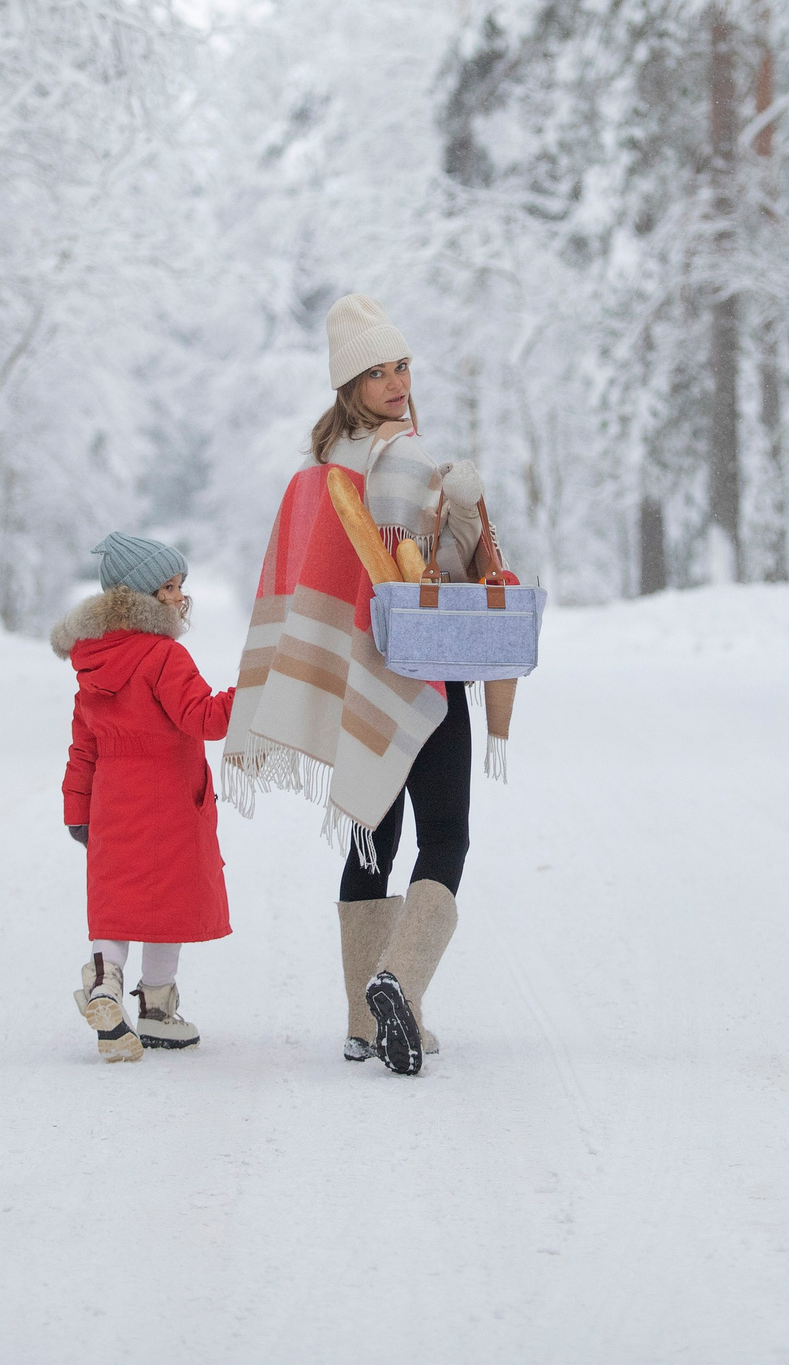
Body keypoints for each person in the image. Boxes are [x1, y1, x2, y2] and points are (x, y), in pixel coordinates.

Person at [222, 293, 501, 1075]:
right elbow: (440, 576)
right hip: (420, 673)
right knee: (446, 834)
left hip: (352, 678)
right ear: (350, 383)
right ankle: (399, 986)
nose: (397, 382)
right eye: (379, 371)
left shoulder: (313, 477)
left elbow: (307, 583)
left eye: (403, 365)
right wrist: (469, 510)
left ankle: (360, 1021)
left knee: (370, 833)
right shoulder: (409, 461)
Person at [52, 532, 234, 1063]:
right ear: (139, 597)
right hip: (171, 800)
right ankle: (158, 1010)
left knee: (117, 902)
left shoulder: (91, 664)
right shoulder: (164, 656)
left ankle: (106, 987)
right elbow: (202, 718)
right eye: (169, 587)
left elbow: (82, 747)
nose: (180, 597)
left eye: (181, 586)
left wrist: (76, 811)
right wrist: (254, 693)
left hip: (113, 801)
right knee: (167, 904)